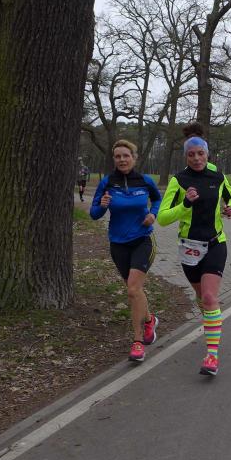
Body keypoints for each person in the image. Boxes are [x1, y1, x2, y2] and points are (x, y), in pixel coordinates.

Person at [158, 129, 231, 376]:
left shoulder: (218, 176)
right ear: (186, 156)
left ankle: (212, 355)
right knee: (202, 297)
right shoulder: (179, 181)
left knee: (210, 297)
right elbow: (162, 218)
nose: (196, 158)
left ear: (207, 154)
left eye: (200, 153)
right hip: (189, 248)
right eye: (191, 154)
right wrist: (185, 204)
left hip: (215, 243)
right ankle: (212, 322)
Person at [90, 140, 162, 361]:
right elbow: (94, 214)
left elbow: (157, 199)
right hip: (118, 244)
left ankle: (137, 342)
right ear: (114, 159)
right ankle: (149, 320)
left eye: (126, 156)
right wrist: (102, 205)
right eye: (118, 156)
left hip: (143, 240)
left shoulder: (145, 181)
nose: (122, 160)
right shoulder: (107, 182)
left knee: (132, 290)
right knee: (135, 290)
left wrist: (153, 214)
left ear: (134, 158)